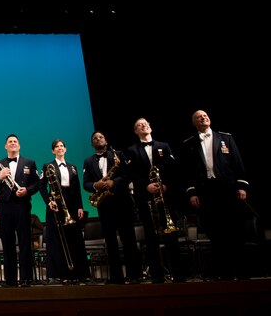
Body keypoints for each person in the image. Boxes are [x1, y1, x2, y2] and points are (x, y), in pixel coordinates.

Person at [181, 110, 249, 281]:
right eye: (199, 117)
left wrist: (241, 186)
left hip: (227, 189)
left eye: (205, 116)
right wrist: (192, 192)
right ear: (194, 123)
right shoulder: (189, 143)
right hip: (206, 192)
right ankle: (224, 273)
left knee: (235, 231)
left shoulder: (226, 138)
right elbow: (187, 171)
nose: (203, 118)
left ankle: (241, 272)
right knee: (215, 233)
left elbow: (237, 162)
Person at [124, 118, 188, 283]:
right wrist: (146, 186)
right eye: (139, 125)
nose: (143, 126)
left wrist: (165, 185)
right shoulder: (131, 150)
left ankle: (179, 274)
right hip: (145, 198)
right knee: (151, 238)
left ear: (150, 127)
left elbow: (173, 169)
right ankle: (157, 275)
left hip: (165, 197)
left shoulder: (164, 146)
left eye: (146, 123)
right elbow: (130, 173)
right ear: (136, 131)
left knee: (171, 236)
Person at [82, 131, 142, 284]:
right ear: (92, 144)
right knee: (110, 242)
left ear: (106, 141)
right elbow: (86, 183)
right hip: (105, 205)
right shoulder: (88, 161)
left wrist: (114, 182)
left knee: (128, 239)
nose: (98, 139)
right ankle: (116, 277)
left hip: (122, 202)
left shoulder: (119, 154)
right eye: (94, 138)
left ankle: (134, 275)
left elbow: (129, 174)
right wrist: (96, 185)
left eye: (101, 137)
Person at [0, 134, 40, 287]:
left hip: (22, 206)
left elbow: (37, 184)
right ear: (5, 146)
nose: (12, 143)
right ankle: (10, 280)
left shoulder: (29, 163)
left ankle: (26, 278)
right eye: (9, 142)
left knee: (25, 243)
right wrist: (0, 177)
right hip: (4, 207)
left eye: (15, 141)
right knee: (7, 243)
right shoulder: (0, 164)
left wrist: (27, 191)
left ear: (19, 145)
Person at [39, 139, 89, 284]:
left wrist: (80, 206)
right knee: (58, 240)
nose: (60, 148)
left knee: (74, 238)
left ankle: (78, 273)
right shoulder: (47, 166)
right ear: (52, 151)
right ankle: (61, 273)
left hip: (72, 205)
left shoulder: (72, 167)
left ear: (65, 149)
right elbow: (41, 187)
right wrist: (49, 201)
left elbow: (77, 189)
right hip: (55, 203)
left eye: (62, 146)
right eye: (56, 147)